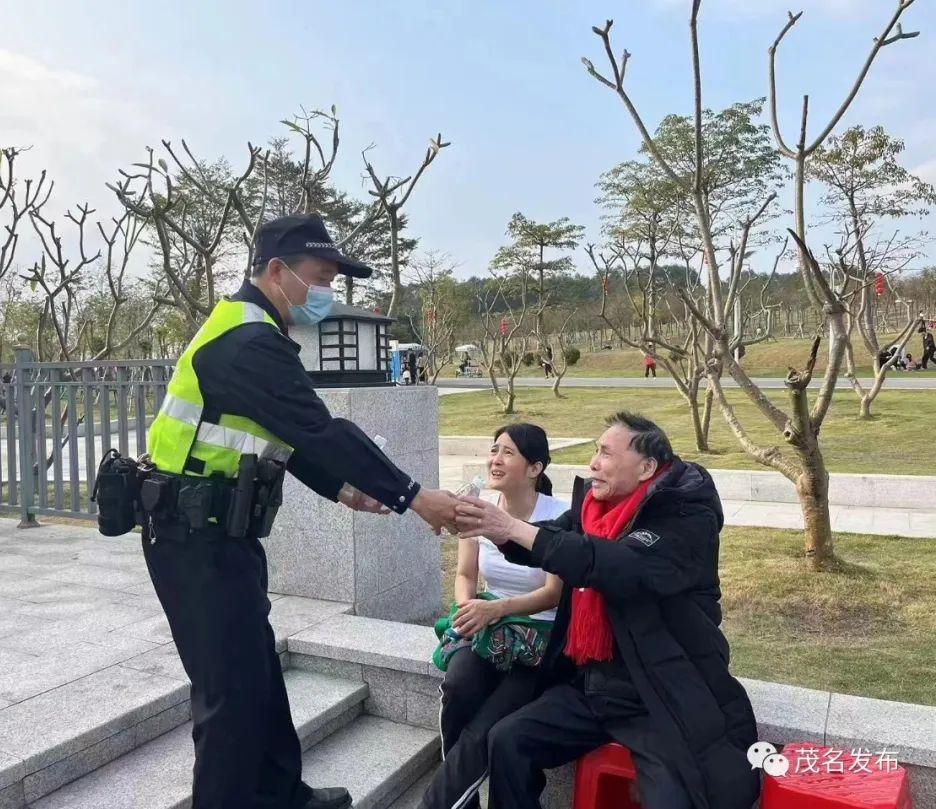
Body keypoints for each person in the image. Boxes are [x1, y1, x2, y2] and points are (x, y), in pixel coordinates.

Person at [140, 212, 459, 809]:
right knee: (229, 695)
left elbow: (281, 433)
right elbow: (319, 429)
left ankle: (283, 796)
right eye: (319, 276)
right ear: (277, 270)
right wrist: (412, 495)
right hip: (192, 539)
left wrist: (343, 491)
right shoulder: (247, 341)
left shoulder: (254, 329)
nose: (326, 292)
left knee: (257, 675)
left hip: (219, 536)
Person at [455, 412, 759, 809]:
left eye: (605, 454)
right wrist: (486, 524)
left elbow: (616, 563)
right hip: (595, 685)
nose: (593, 464)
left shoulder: (685, 515)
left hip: (658, 693)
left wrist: (511, 528)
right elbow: (555, 539)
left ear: (646, 467)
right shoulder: (594, 511)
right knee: (508, 740)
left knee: (677, 796)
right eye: (595, 452)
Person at [421, 424, 568, 809]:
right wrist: (467, 610)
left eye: (507, 453)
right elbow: (465, 575)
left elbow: (554, 593)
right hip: (488, 626)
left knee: (487, 728)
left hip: (538, 639)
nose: (495, 460)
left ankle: (435, 804)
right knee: (458, 687)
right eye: (493, 450)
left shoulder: (560, 515)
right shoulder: (477, 508)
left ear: (535, 468)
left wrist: (496, 609)